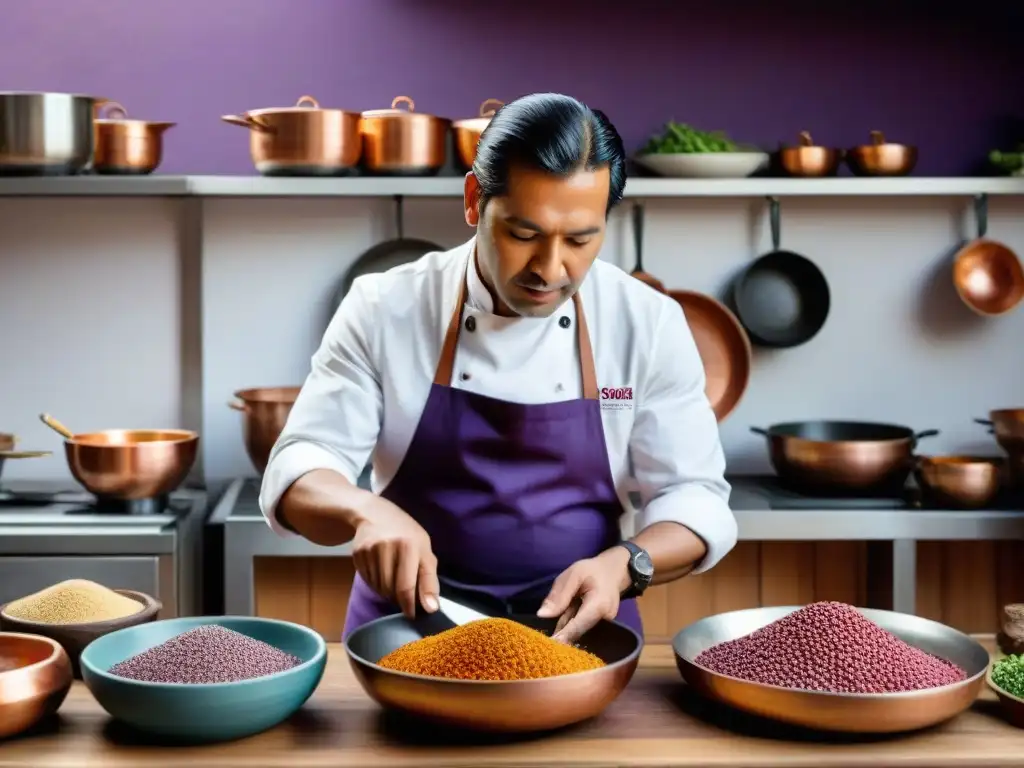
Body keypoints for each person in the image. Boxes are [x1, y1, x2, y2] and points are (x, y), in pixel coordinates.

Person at [259, 92, 737, 645]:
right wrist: (363, 511)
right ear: (473, 201)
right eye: (523, 234)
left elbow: (696, 495)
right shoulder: (386, 307)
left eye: (581, 239)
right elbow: (300, 465)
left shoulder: (645, 322)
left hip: (579, 641)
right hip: (406, 639)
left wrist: (627, 563)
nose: (550, 268)